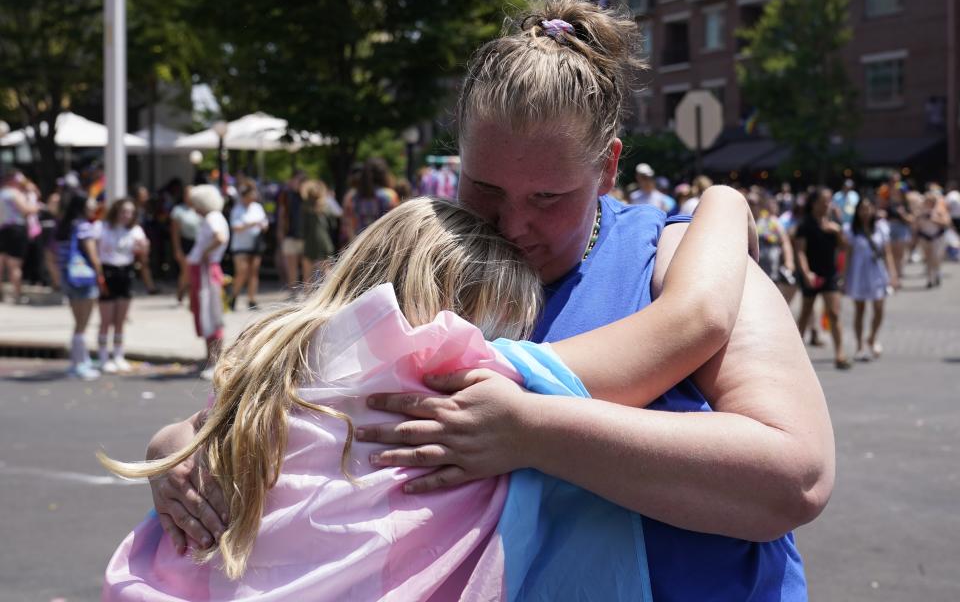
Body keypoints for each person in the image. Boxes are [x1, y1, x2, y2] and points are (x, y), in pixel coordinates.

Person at [144, 0, 833, 601]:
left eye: (548, 198)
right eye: (485, 190)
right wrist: (187, 452)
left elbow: (794, 479)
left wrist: (527, 432)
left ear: (609, 167)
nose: (512, 224)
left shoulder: (680, 261)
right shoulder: (420, 255)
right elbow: (293, 405)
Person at [100, 190, 754, 599]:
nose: (500, 341)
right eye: (498, 324)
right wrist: (724, 202)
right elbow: (691, 321)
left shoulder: (275, 357)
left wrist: (173, 445)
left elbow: (185, 442)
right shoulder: (455, 368)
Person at [795, 187, 849, 368]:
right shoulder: (806, 225)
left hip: (830, 273)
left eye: (829, 200)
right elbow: (800, 252)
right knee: (805, 313)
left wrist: (837, 232)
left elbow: (844, 247)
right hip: (812, 274)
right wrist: (806, 273)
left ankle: (840, 354)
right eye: (824, 201)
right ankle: (795, 355)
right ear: (814, 203)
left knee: (833, 313)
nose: (827, 204)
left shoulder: (833, 223)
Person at [97, 198, 150, 373]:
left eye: (130, 212)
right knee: (106, 319)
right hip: (108, 271)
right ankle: (103, 356)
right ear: (116, 211)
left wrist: (143, 247)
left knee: (120, 320)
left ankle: (118, 355)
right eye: (123, 211)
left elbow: (143, 253)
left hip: (125, 272)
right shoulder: (103, 227)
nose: (127, 215)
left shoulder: (135, 230)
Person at [56, 193, 105, 380]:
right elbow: (93, 256)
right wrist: (100, 273)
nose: (93, 207)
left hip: (68, 278)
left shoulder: (64, 226)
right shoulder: (84, 227)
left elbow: (52, 255)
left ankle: (77, 361)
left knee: (78, 323)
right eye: (90, 204)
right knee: (82, 325)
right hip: (84, 279)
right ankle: (81, 364)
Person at [844, 197, 898, 362]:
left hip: (877, 272)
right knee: (859, 310)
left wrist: (893, 273)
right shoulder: (850, 230)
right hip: (859, 273)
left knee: (879, 308)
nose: (865, 212)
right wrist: (844, 277)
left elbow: (887, 252)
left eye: (868, 208)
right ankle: (860, 345)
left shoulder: (881, 228)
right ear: (857, 211)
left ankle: (872, 338)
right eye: (862, 209)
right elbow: (848, 255)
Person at [186, 185, 229, 380]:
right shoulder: (211, 218)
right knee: (205, 316)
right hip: (203, 270)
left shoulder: (213, 218)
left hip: (207, 271)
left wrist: (205, 253)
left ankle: (216, 362)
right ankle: (210, 359)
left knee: (211, 315)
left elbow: (219, 238)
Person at [748, 189, 796, 301]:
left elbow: (785, 242)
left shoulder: (772, 221)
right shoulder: (742, 222)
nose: (749, 205)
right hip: (749, 275)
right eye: (748, 201)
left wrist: (789, 261)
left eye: (753, 203)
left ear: (761, 204)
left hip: (770, 274)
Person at [0, 170, 39, 304]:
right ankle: (17, 294)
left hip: (2, 229)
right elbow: (27, 210)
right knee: (14, 266)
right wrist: (36, 205)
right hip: (15, 229)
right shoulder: (14, 194)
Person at [227, 184, 268, 310]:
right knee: (242, 271)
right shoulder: (237, 209)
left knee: (254, 271)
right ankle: (233, 296)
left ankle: (251, 299)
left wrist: (262, 226)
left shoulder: (257, 208)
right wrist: (252, 224)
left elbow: (265, 224)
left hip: (255, 244)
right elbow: (235, 227)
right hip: (240, 245)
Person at [341, 157, 399, 243]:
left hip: (360, 244)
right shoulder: (389, 196)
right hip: (382, 244)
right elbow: (396, 224)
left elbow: (350, 224)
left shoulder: (354, 197)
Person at [299, 179, 337, 283]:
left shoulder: (305, 208)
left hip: (310, 241)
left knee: (307, 272)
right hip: (325, 241)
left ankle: (307, 295)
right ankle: (329, 293)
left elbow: (303, 227)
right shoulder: (326, 207)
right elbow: (333, 224)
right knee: (327, 270)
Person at [170, 185, 202, 304]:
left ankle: (190, 295)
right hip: (185, 242)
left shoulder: (200, 209)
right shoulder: (178, 210)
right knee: (187, 270)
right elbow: (175, 232)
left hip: (198, 242)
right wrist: (177, 249)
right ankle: (182, 292)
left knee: (195, 270)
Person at [276, 170, 307, 295]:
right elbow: (282, 214)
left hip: (306, 236)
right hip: (290, 234)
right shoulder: (287, 195)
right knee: (291, 267)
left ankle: (306, 292)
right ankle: (293, 292)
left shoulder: (308, 196)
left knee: (307, 266)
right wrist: (280, 231)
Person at [915, 189, 951, 288]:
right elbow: (916, 226)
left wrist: (934, 219)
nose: (929, 203)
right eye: (927, 201)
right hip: (924, 237)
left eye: (931, 201)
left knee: (936, 258)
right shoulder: (920, 212)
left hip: (937, 237)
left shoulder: (940, 210)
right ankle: (930, 279)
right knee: (927, 259)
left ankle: (937, 274)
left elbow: (946, 223)